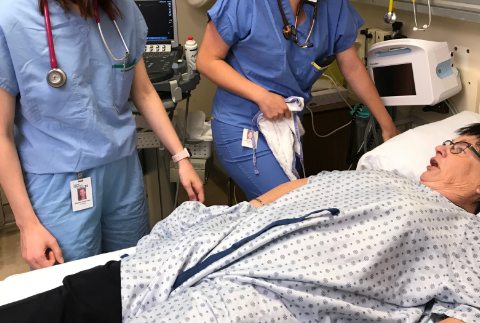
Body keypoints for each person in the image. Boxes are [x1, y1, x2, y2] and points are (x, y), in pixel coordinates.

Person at [2, 124, 480, 323]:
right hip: (205, 250)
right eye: (448, 141)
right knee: (77, 299)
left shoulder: (464, 235)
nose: (442, 147)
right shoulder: (376, 177)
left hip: (268, 299)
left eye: (460, 147)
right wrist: (237, 214)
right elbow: (295, 190)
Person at [0, 0, 204, 270]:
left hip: (122, 172)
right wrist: (26, 224)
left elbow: (142, 92)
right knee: (76, 288)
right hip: (59, 182)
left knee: (129, 277)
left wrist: (180, 156)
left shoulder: (120, 8)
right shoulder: (13, 18)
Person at [196, 0, 399, 200]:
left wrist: (387, 125)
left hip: (287, 124)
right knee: (291, 206)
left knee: (291, 211)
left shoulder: (332, 1)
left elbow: (353, 67)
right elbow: (207, 60)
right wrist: (262, 96)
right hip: (242, 125)